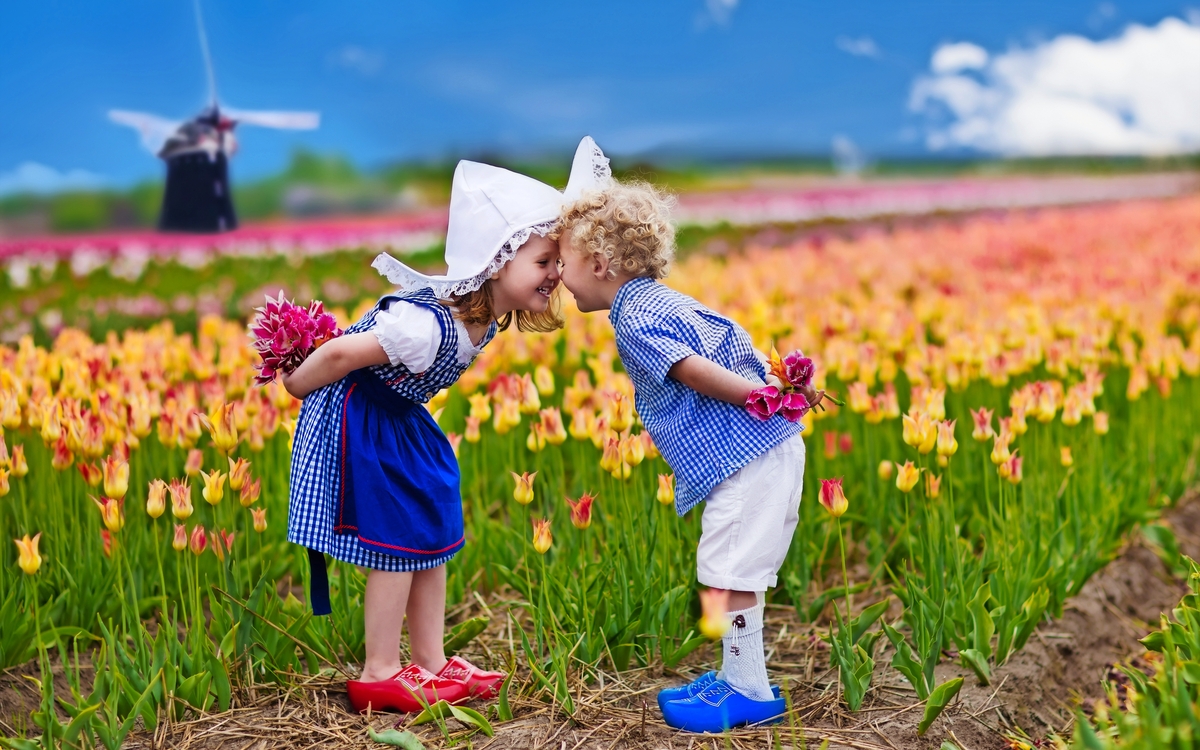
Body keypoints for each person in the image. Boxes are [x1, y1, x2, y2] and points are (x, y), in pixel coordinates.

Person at [553, 137, 822, 733]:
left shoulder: (635, 319)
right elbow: (734, 342)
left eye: (562, 260)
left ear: (599, 264)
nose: (558, 275)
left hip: (748, 456)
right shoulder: (665, 300)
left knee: (727, 574)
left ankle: (746, 690)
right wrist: (781, 389)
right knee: (731, 571)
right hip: (763, 450)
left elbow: (687, 369)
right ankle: (736, 675)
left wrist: (760, 396)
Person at [283, 159, 565, 713]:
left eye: (557, 260)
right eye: (543, 260)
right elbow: (344, 352)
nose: (555, 272)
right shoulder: (425, 324)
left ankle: (432, 661)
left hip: (401, 419)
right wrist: (296, 383)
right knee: (396, 543)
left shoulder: (481, 321)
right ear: (496, 262)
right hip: (364, 420)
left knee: (430, 530)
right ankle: (380, 669)